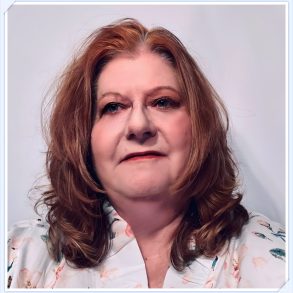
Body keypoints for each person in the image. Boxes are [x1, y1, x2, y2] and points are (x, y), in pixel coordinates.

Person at [7, 18, 286, 289]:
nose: (139, 125)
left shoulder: (275, 263)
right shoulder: (18, 256)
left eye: (162, 102)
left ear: (199, 126)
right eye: (114, 106)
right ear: (84, 136)